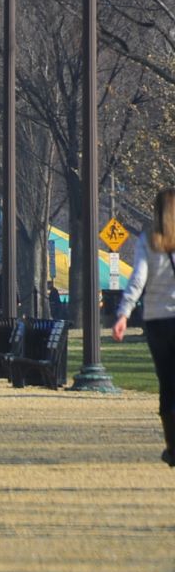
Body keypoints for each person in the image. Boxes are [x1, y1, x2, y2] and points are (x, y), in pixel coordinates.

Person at [112, 187, 175, 467]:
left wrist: (124, 313)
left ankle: (172, 445)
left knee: (167, 382)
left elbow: (138, 279)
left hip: (156, 320)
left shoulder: (148, 239)